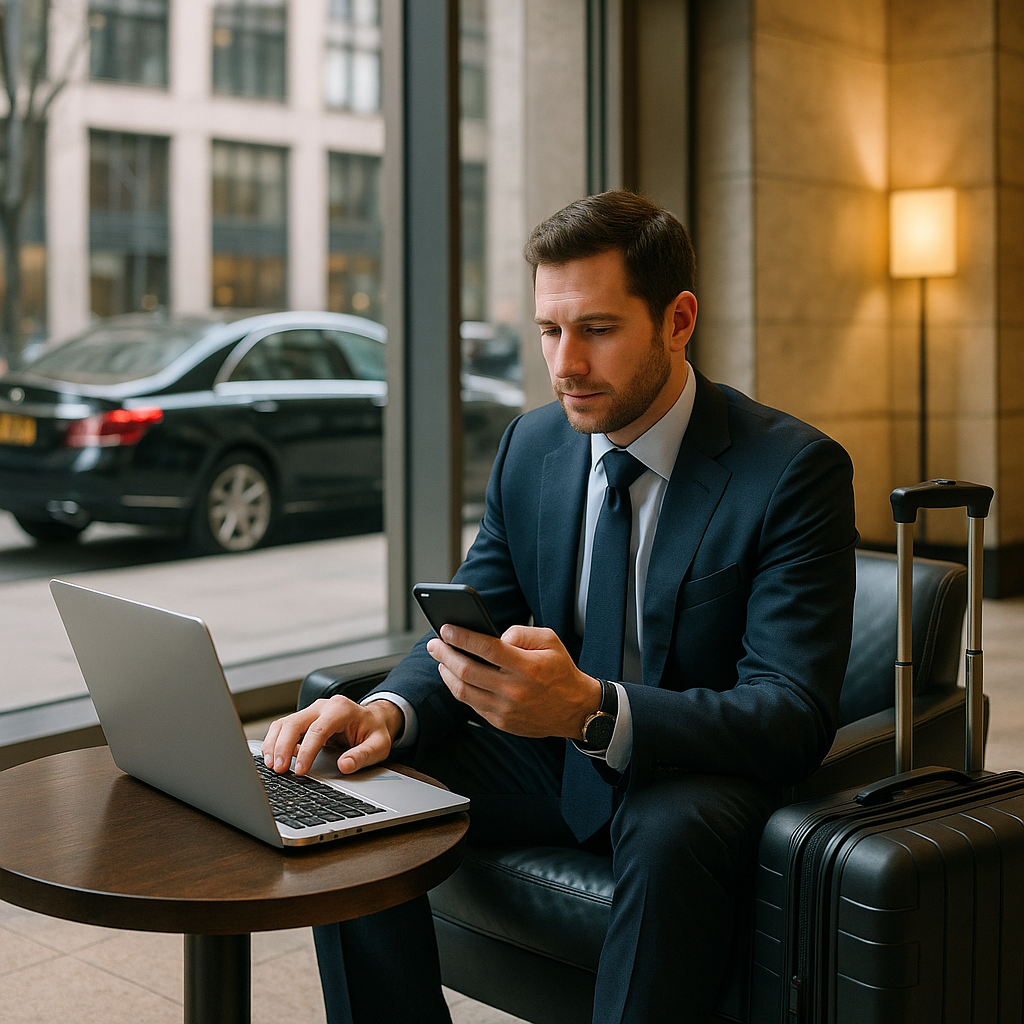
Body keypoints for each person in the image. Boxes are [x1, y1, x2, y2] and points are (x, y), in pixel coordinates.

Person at [262, 190, 858, 1024]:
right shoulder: (533, 445)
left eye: (598, 330)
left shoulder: (792, 471)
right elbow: (473, 621)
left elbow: (789, 712)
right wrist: (388, 713)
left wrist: (593, 710)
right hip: (550, 756)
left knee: (668, 828)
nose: (565, 363)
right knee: (358, 774)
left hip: (688, 768)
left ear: (678, 320)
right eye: (550, 330)